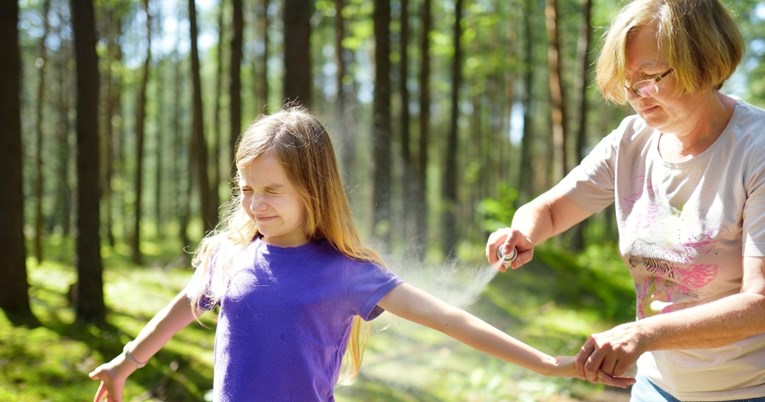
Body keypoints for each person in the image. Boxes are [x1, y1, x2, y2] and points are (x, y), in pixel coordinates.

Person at [88, 106, 628, 402]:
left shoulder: (347, 274)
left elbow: (453, 320)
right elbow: (187, 303)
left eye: (272, 190)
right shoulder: (228, 257)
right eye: (246, 188)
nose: (254, 203)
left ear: (313, 190)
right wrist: (126, 362)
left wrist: (552, 365)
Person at [486, 0, 765, 401]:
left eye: (650, 77)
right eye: (627, 83)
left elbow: (760, 302)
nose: (636, 96)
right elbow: (547, 210)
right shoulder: (630, 141)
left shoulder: (756, 149)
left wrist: (644, 333)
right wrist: (519, 232)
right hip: (655, 387)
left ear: (704, 61)